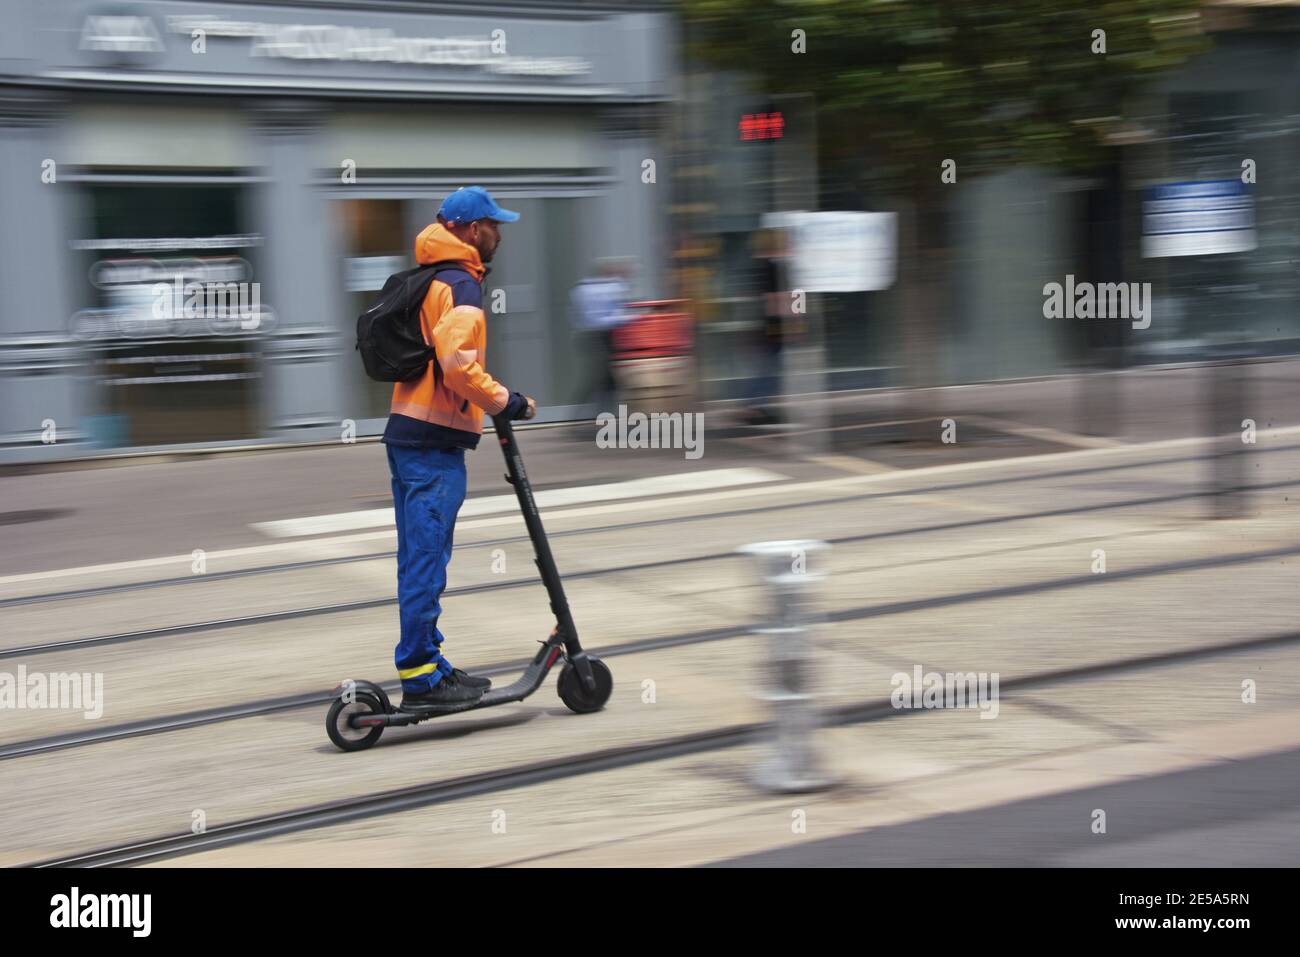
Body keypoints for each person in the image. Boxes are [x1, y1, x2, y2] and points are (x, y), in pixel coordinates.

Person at [381, 186, 537, 713]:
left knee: (417, 556)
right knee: (427, 557)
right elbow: (457, 366)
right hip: (431, 443)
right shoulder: (461, 286)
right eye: (496, 226)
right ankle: (422, 677)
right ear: (473, 230)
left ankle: (426, 659)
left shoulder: (429, 278)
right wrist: (505, 402)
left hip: (407, 434)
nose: (499, 235)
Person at [570, 258, 633, 413]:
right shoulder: (609, 289)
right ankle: (587, 415)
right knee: (604, 380)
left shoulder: (582, 289)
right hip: (602, 337)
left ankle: (594, 414)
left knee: (606, 380)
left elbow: (577, 315)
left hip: (593, 336)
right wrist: (631, 318)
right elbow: (609, 316)